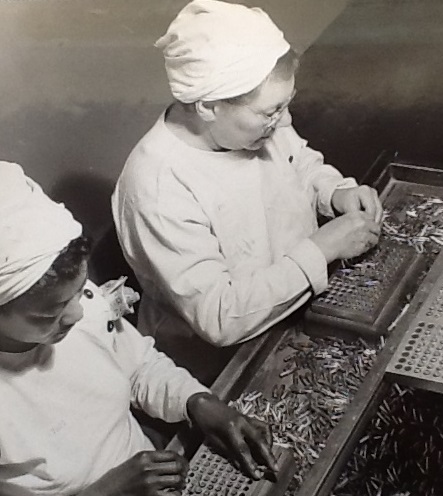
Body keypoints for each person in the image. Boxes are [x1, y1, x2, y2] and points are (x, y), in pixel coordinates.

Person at [0, 161, 277, 496]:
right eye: (48, 314)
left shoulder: (74, 310)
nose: (75, 317)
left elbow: (137, 364)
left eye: (78, 293)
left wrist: (194, 400)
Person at [112, 0, 383, 384]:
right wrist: (324, 247)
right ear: (207, 106)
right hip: (223, 366)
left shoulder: (254, 124)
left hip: (298, 309)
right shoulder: (157, 187)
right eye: (271, 112)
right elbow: (219, 317)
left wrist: (334, 191)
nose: (284, 120)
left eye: (285, 105)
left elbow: (298, 161)